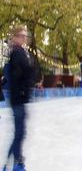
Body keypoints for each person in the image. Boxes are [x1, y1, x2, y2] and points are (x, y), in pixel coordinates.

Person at [4, 26, 35, 171]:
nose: (24, 38)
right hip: (18, 100)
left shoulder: (21, 52)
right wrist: (22, 92)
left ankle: (10, 163)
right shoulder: (16, 53)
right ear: (15, 37)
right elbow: (17, 76)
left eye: (25, 36)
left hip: (20, 100)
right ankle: (16, 164)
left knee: (20, 133)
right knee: (19, 134)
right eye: (22, 36)